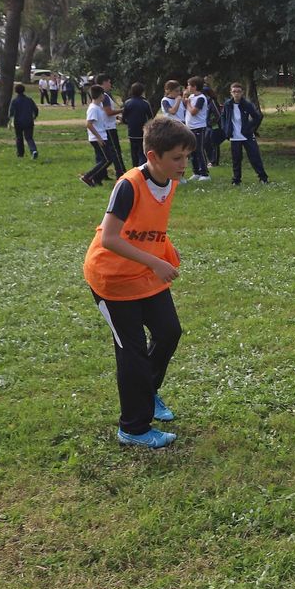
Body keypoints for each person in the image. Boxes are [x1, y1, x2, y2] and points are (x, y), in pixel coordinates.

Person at [83, 115, 196, 449]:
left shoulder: (170, 181)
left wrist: (166, 249)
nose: (183, 164)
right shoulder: (129, 185)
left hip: (143, 274)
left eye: (186, 156)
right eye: (177, 158)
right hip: (111, 280)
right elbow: (111, 239)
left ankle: (148, 391)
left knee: (168, 332)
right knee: (130, 351)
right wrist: (155, 262)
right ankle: (132, 428)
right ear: (153, 157)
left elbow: (149, 227)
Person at [221, 82, 269, 186]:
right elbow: (223, 117)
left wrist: (250, 128)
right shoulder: (228, 104)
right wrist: (226, 129)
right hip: (234, 136)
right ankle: (236, 180)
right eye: (234, 92)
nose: (236, 94)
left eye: (238, 91)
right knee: (236, 159)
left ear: (242, 92)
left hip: (246, 135)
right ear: (231, 92)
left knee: (254, 156)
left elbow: (257, 116)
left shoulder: (247, 104)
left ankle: (263, 178)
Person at [80, 85, 124, 187]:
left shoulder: (99, 107)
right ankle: (88, 176)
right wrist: (98, 138)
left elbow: (103, 117)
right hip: (98, 138)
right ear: (100, 95)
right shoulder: (93, 108)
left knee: (106, 159)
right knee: (108, 159)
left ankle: (95, 178)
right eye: (103, 94)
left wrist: (117, 117)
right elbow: (88, 124)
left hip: (103, 136)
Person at [97, 76, 127, 180]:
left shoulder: (102, 96)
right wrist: (122, 110)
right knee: (115, 151)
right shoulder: (104, 96)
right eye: (109, 82)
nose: (110, 85)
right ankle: (121, 172)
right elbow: (108, 112)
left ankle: (102, 174)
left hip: (106, 125)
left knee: (106, 152)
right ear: (104, 82)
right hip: (109, 128)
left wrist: (117, 116)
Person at [183, 77, 211, 181]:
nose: (187, 87)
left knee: (199, 150)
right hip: (190, 127)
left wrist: (188, 103)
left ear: (195, 86)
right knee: (192, 151)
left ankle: (205, 173)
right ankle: (196, 172)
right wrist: (185, 98)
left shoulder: (201, 98)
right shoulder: (191, 96)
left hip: (198, 127)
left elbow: (194, 112)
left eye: (189, 85)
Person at [120, 83, 154, 167]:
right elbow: (151, 117)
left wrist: (127, 123)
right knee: (142, 152)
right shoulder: (145, 103)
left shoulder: (128, 102)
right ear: (142, 92)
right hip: (143, 131)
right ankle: (143, 167)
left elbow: (124, 117)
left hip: (132, 131)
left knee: (134, 152)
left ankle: (134, 168)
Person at [10, 82, 40, 160]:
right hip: (29, 121)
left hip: (18, 122)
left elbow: (11, 112)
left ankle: (20, 154)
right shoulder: (29, 100)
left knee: (19, 138)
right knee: (29, 137)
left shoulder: (15, 101)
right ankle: (33, 150)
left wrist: (10, 121)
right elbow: (36, 109)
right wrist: (35, 116)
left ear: (16, 91)